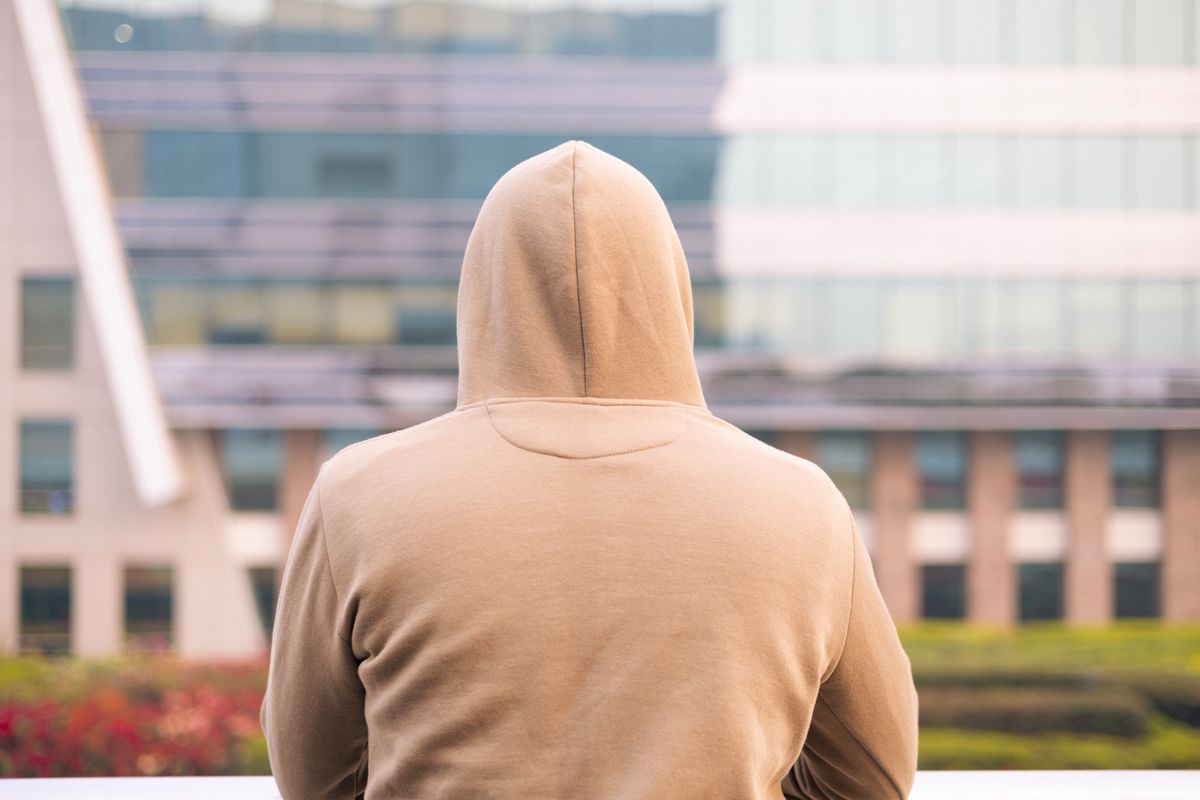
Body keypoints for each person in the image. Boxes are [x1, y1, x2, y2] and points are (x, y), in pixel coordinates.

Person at [260, 140, 919, 799]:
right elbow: (874, 779)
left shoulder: (358, 494)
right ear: (668, 281)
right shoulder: (802, 503)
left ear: (483, 286)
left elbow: (308, 776)